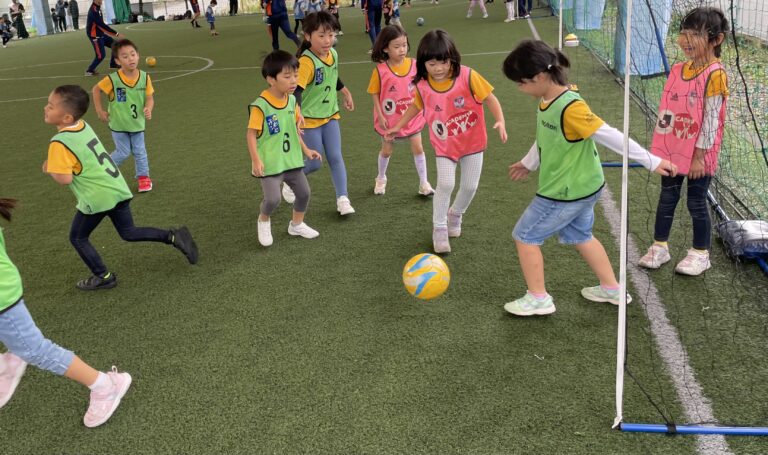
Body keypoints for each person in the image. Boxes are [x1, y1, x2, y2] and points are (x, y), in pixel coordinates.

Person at [500, 40, 677, 316]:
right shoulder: (549, 99)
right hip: (584, 187)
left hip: (565, 192)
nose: (519, 88)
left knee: (525, 236)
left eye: (521, 83)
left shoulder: (571, 107)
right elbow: (547, 137)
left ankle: (538, 298)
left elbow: (609, 135)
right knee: (581, 235)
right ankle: (611, 289)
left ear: (540, 77)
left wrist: (651, 160)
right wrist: (528, 163)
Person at [42, 85, 199, 290]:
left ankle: (103, 277)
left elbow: (65, 179)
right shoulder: (83, 126)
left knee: (78, 237)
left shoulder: (59, 143)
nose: (45, 108)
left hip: (98, 198)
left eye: (51, 106)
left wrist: (49, 168)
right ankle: (173, 236)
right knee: (128, 232)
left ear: (67, 118)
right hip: (117, 188)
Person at [0, 198, 132, 428]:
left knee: (35, 350)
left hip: (3, 297)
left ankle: (106, 386)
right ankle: (8, 364)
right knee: (27, 347)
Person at [386, 29, 507, 253]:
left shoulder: (468, 76)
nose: (438, 68)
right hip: (445, 145)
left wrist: (500, 120)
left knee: (470, 186)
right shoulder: (422, 86)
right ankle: (439, 227)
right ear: (423, 64)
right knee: (446, 184)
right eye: (431, 64)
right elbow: (415, 106)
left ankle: (455, 214)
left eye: (443, 62)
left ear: (453, 58)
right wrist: (397, 126)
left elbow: (490, 97)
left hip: (472, 142)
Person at [638, 7, 729, 276]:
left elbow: (711, 122)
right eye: (684, 33)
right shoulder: (679, 69)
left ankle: (700, 254)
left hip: (699, 154)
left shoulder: (716, 74)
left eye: (696, 35)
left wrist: (699, 156)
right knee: (667, 197)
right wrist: (663, 148)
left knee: (696, 202)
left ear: (716, 40)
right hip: (673, 150)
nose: (687, 40)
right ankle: (659, 247)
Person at [248, 50, 323, 247]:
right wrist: (256, 159)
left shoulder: (292, 101)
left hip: (291, 160)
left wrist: (306, 150)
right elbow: (251, 135)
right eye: (287, 76)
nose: (293, 81)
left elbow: (293, 130)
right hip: (271, 163)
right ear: (271, 79)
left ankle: (296, 225)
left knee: (304, 193)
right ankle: (264, 219)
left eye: (296, 76)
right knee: (272, 199)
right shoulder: (260, 106)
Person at [292, 11, 356, 215]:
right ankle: (290, 178)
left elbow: (333, 76)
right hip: (309, 119)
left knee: (336, 157)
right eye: (321, 35)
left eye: (331, 34)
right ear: (308, 36)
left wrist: (345, 92)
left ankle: (343, 199)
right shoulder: (306, 62)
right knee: (314, 163)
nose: (328, 40)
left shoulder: (333, 54)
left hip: (330, 115)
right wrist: (298, 115)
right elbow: (297, 91)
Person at [368, 25, 432, 196]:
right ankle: (381, 178)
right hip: (390, 120)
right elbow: (374, 93)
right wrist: (380, 115)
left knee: (418, 148)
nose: (402, 49)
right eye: (397, 46)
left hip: (413, 117)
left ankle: (424, 183)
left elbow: (424, 86)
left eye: (404, 45)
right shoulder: (381, 70)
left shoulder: (415, 65)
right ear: (385, 48)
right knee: (387, 150)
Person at [92, 39, 156, 192]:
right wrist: (99, 111)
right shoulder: (113, 80)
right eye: (125, 56)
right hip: (119, 125)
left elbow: (150, 98)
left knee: (140, 151)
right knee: (123, 152)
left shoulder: (144, 77)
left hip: (137, 124)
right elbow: (96, 89)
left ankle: (144, 178)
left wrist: (148, 108)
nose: (130, 59)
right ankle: (103, 169)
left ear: (138, 56)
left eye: (133, 54)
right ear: (117, 61)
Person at [84, 0, 121, 76]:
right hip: (95, 36)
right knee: (100, 56)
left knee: (115, 45)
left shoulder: (98, 8)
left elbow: (101, 25)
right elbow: (102, 25)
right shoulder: (93, 11)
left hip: (101, 34)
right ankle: (89, 71)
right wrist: (116, 34)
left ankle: (113, 64)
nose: (101, 0)